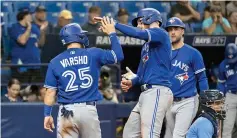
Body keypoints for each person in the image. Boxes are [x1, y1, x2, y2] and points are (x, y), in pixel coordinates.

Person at [43, 17, 124, 138]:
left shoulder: (55, 61)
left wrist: (47, 115)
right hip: (88, 110)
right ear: (79, 37)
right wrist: (112, 33)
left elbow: (50, 92)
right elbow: (118, 55)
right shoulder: (93, 53)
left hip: (66, 112)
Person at [109, 8, 173, 138]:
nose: (138, 26)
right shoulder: (146, 46)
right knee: (129, 134)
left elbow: (137, 34)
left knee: (149, 134)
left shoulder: (161, 33)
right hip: (146, 94)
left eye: (139, 21)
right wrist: (132, 81)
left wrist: (114, 24)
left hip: (157, 91)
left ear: (149, 18)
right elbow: (141, 74)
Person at [164, 17, 209, 138]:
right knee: (169, 135)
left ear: (182, 31)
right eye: (170, 29)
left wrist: (205, 101)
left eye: (176, 29)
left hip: (187, 101)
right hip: (168, 101)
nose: (172, 32)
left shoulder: (193, 53)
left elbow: (202, 78)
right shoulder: (162, 53)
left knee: (178, 135)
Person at [9, 7, 47, 83]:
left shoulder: (34, 28)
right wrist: (29, 28)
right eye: (29, 14)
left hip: (35, 65)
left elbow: (41, 44)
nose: (31, 16)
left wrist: (42, 32)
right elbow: (22, 41)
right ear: (24, 16)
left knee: (37, 90)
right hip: (21, 66)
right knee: (22, 90)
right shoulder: (15, 27)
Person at [217, 43, 237, 138]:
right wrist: (221, 95)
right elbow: (221, 82)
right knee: (227, 128)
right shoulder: (223, 65)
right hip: (230, 96)